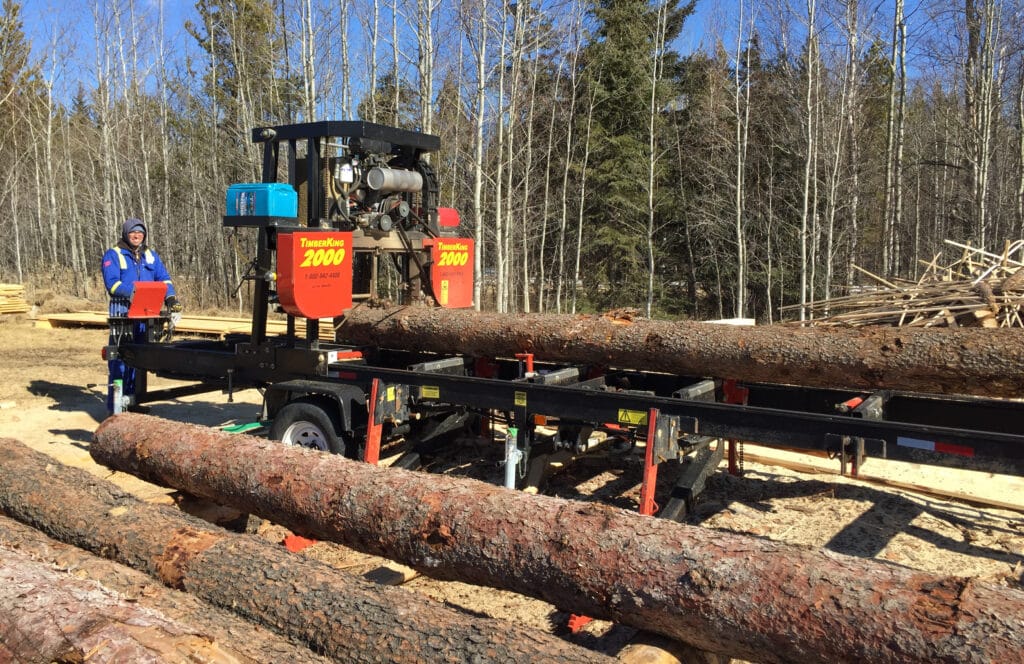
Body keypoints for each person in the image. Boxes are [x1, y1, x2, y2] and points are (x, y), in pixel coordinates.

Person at [101, 218, 181, 414]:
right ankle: (116, 409)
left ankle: (133, 403)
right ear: (126, 234)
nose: (137, 236)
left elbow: (164, 278)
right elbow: (112, 284)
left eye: (140, 233)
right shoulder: (114, 255)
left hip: (146, 317)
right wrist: (135, 293)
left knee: (140, 360)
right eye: (133, 233)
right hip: (123, 316)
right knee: (120, 361)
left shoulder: (151, 256)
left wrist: (170, 298)